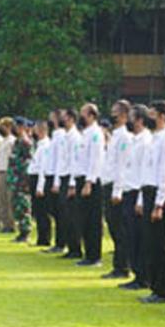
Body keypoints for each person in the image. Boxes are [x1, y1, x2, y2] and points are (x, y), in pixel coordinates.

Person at [137, 100, 165, 304]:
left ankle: (163, 290)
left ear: (162, 116)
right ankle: (154, 287)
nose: (148, 118)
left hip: (157, 195)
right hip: (147, 192)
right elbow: (146, 171)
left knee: (159, 245)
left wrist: (159, 203)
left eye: (152, 114)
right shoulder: (152, 139)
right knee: (150, 244)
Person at [116, 104, 153, 288]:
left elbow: (144, 173)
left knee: (140, 238)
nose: (127, 121)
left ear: (139, 120)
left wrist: (140, 199)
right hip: (128, 191)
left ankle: (143, 276)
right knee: (131, 236)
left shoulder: (146, 142)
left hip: (138, 193)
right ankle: (137, 274)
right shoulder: (133, 140)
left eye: (131, 117)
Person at [69, 103, 105, 266]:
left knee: (92, 220)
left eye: (83, 114)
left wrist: (89, 182)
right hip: (80, 178)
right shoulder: (84, 134)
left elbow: (95, 160)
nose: (80, 117)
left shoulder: (96, 134)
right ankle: (87, 253)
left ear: (91, 115)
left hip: (90, 180)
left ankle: (94, 256)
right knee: (83, 218)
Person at [102, 100, 132, 279]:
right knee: (113, 227)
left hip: (116, 186)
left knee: (120, 229)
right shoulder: (115, 136)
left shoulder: (124, 137)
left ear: (123, 116)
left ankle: (123, 266)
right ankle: (118, 265)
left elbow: (122, 165)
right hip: (108, 183)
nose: (112, 115)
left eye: (115, 112)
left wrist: (117, 191)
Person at [55, 109, 81, 259]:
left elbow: (74, 161)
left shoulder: (75, 138)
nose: (62, 120)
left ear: (71, 119)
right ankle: (71, 247)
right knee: (64, 215)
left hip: (71, 179)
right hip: (64, 177)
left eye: (64, 118)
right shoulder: (65, 136)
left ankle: (76, 248)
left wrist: (72, 184)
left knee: (72, 216)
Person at [39, 110, 67, 253]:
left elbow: (60, 160)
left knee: (60, 213)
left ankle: (61, 242)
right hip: (50, 175)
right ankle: (59, 242)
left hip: (56, 177)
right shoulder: (55, 135)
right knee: (54, 211)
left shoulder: (61, 135)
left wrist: (56, 182)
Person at [8, 117, 34, 243]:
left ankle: (26, 231)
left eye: (17, 126)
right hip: (15, 178)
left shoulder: (25, 142)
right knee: (17, 206)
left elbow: (29, 161)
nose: (15, 129)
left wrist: (24, 179)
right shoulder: (18, 141)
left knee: (23, 206)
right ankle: (21, 231)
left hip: (22, 179)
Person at [29, 120, 53, 247]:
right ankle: (41, 237)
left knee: (42, 211)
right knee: (38, 212)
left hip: (40, 179)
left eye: (36, 130)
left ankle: (45, 238)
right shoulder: (39, 145)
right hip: (34, 177)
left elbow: (43, 168)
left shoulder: (46, 146)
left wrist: (40, 186)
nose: (34, 132)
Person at [0, 117, 17, 233]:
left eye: (3, 126)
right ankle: (5, 223)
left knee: (8, 199)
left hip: (7, 171)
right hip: (0, 170)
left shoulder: (12, 141)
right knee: (2, 199)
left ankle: (11, 224)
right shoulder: (4, 140)